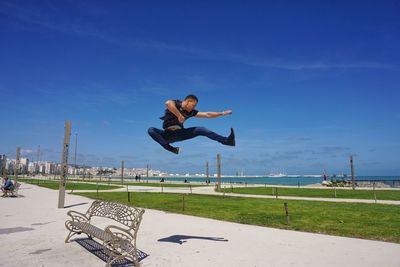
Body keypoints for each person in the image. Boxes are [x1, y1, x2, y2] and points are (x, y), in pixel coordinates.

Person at [148, 94, 235, 154]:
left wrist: (223, 113)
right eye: (193, 105)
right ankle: (171, 149)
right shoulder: (177, 103)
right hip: (167, 135)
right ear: (188, 101)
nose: (194, 107)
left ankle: (227, 141)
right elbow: (168, 103)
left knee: (201, 129)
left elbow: (207, 114)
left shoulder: (191, 112)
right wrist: (179, 115)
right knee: (151, 130)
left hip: (180, 133)